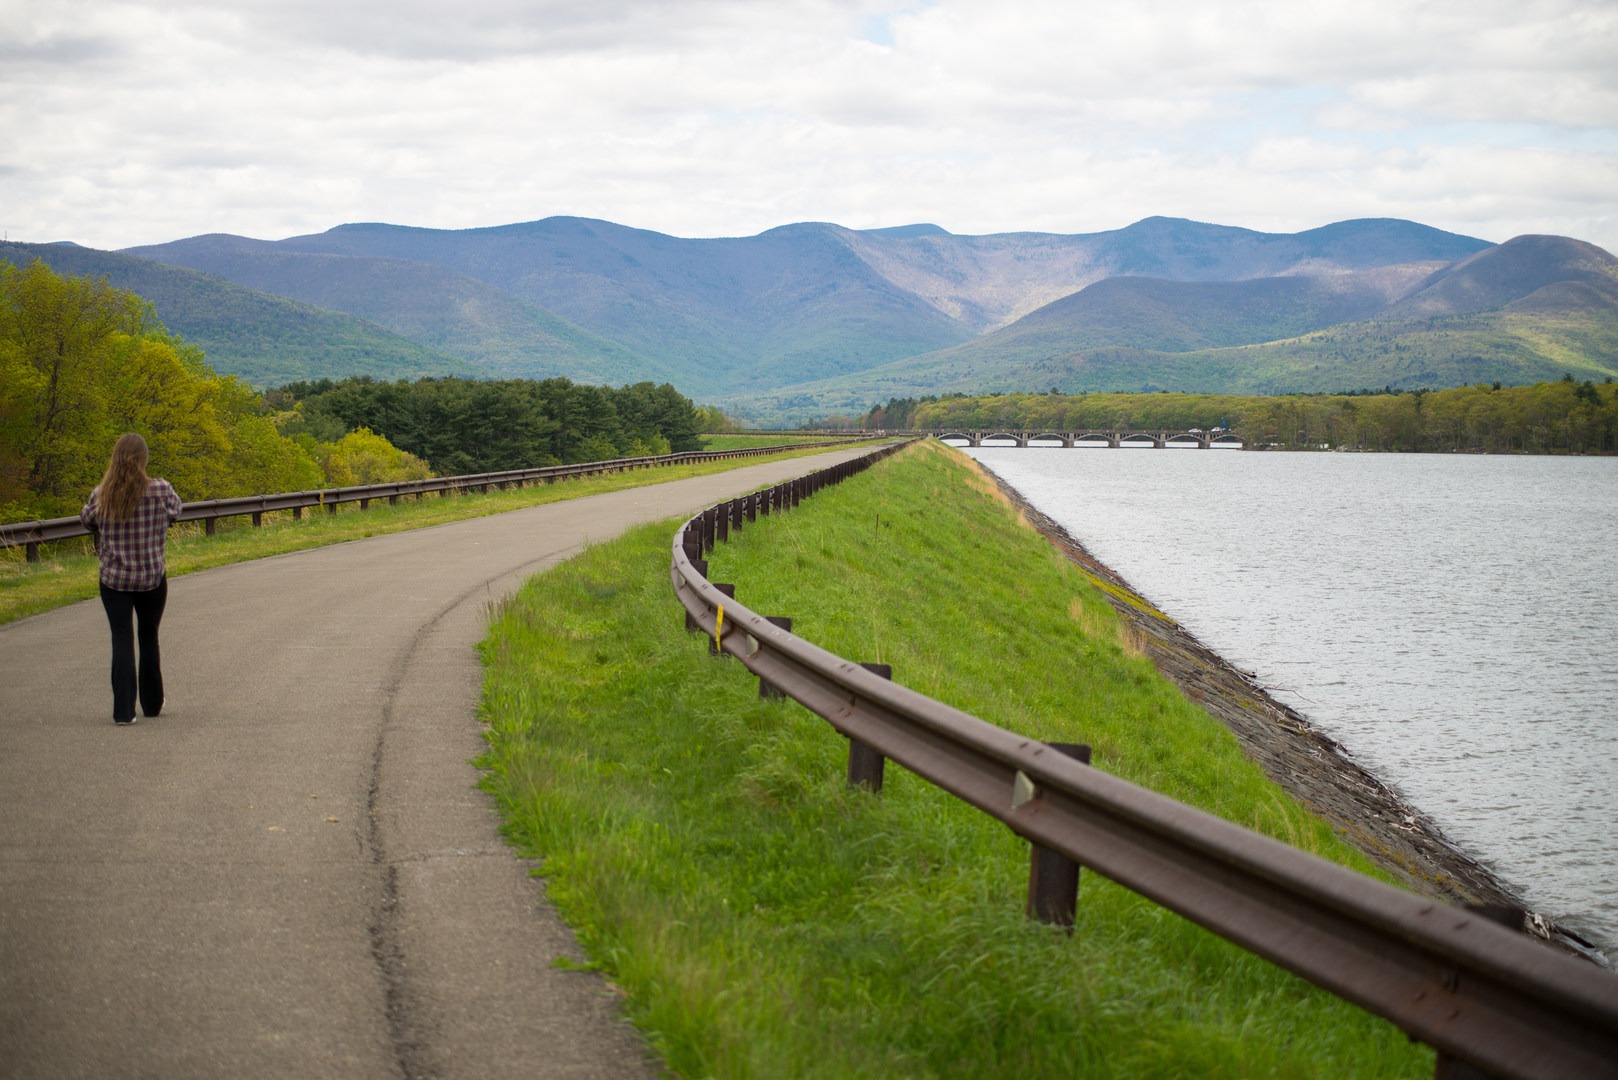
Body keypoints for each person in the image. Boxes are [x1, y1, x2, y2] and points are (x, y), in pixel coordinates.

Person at [80, 434, 183, 725]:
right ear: (144, 459)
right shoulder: (161, 490)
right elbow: (177, 511)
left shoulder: (102, 494)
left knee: (121, 638)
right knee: (149, 636)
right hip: (151, 575)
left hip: (115, 579)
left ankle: (124, 711)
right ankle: (152, 704)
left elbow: (86, 519)